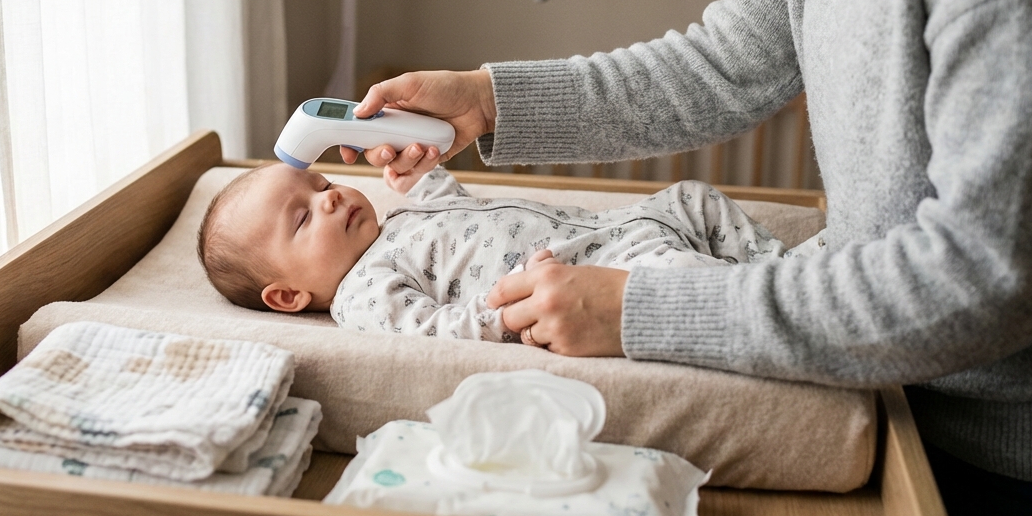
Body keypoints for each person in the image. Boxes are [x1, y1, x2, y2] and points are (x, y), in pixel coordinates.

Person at [338, 0, 1032, 516]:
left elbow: (994, 273)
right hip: (890, 395)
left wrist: (644, 312)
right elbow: (728, 65)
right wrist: (488, 101)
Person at [197, 163, 791, 342]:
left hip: (620, 225)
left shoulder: (396, 221)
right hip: (607, 272)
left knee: (694, 198)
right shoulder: (363, 293)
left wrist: (415, 162)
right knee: (680, 278)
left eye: (323, 186)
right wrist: (513, 311)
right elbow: (440, 330)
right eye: (302, 218)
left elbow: (452, 200)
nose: (329, 201)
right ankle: (776, 302)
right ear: (288, 295)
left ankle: (786, 271)